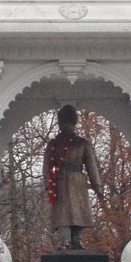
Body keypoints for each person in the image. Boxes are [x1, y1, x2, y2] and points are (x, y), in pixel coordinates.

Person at [43, 105, 103, 250]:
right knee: (63, 214)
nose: (66, 126)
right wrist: (48, 184)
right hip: (60, 181)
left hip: (77, 181)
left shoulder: (82, 143)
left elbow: (91, 166)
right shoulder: (53, 144)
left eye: (68, 122)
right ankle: (64, 241)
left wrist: (97, 186)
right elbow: (46, 166)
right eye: (64, 122)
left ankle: (77, 239)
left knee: (79, 213)